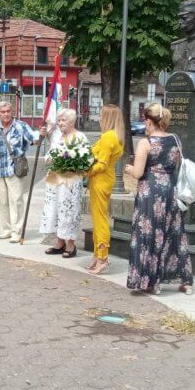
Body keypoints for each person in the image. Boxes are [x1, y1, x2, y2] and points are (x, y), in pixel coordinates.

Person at [124, 103, 193, 295]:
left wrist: (129, 169)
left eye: (145, 120)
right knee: (173, 233)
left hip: (150, 193)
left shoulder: (145, 143)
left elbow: (138, 173)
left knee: (149, 234)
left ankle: (151, 282)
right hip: (170, 191)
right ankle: (185, 281)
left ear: (148, 121)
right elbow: (175, 165)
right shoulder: (175, 139)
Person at [39, 109, 87, 258]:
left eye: (63, 120)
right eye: (59, 120)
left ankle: (71, 245)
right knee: (55, 209)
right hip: (55, 180)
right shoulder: (57, 137)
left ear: (72, 121)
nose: (60, 123)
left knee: (69, 211)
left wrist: (69, 160)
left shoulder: (80, 137)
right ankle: (60, 243)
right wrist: (49, 158)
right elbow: (50, 153)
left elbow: (85, 159)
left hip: (70, 182)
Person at [85, 104, 125, 274]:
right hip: (105, 179)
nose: (100, 118)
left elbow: (101, 164)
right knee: (98, 218)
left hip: (100, 180)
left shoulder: (108, 137)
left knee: (100, 219)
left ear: (108, 118)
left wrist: (84, 171)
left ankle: (102, 257)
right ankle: (97, 255)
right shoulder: (116, 136)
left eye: (102, 115)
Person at [0, 101, 35, 243]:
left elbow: (35, 139)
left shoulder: (21, 126)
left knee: (16, 201)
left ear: (12, 111)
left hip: (15, 169)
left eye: (8, 111)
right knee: (2, 202)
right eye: (3, 112)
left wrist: (42, 134)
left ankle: (17, 231)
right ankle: (7, 229)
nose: (6, 114)